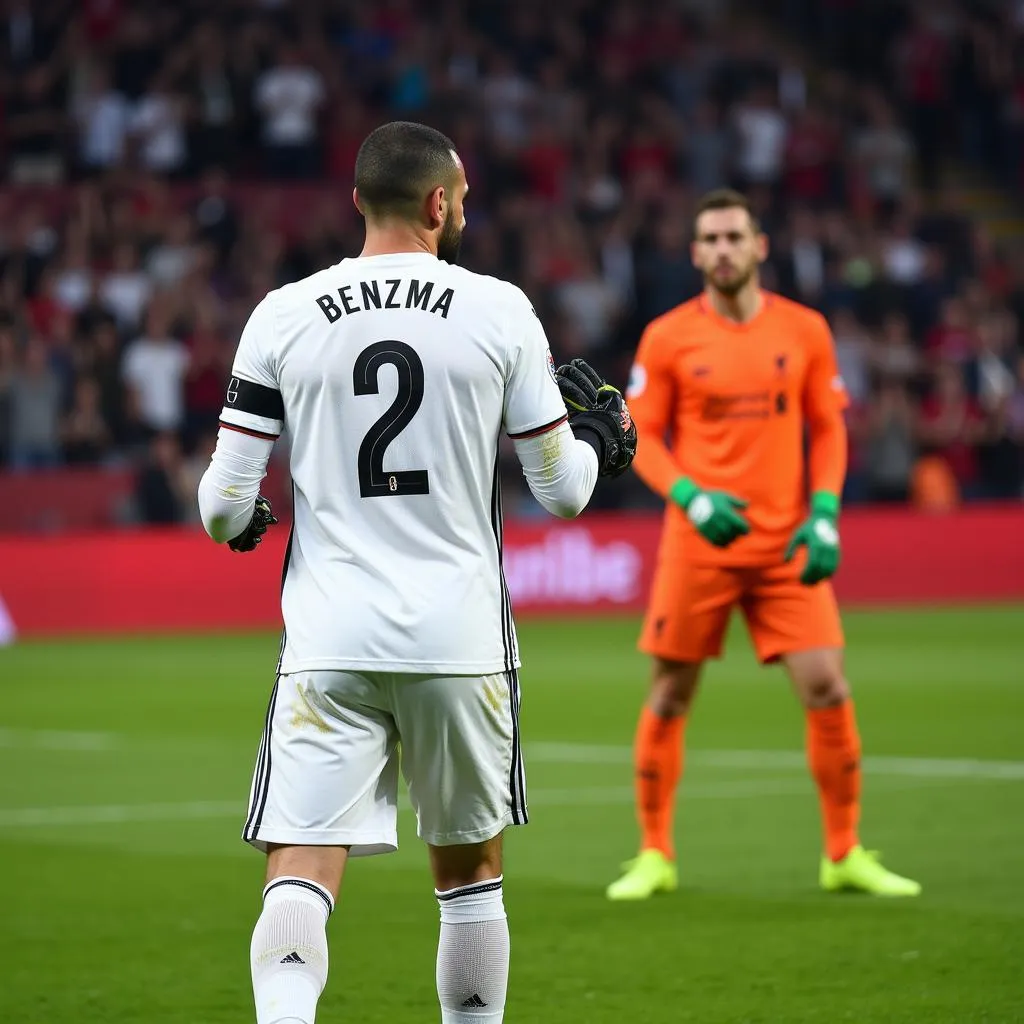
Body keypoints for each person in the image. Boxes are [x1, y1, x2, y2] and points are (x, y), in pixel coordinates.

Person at [197, 120, 636, 1024]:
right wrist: (602, 440)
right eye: (463, 198)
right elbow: (563, 494)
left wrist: (248, 525)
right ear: (440, 203)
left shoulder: (282, 312)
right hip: (460, 639)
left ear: (359, 200)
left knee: (300, 871)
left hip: (329, 640)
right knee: (470, 878)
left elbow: (221, 505)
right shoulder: (499, 308)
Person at [607, 188, 920, 901]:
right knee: (670, 693)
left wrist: (828, 512)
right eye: (709, 239)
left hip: (785, 545)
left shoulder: (805, 330)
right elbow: (639, 437)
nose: (722, 249)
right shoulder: (667, 337)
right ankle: (654, 853)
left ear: (759, 246)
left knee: (828, 686)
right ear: (694, 254)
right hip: (698, 542)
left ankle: (843, 853)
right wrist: (691, 497)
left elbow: (831, 427)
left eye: (733, 237)